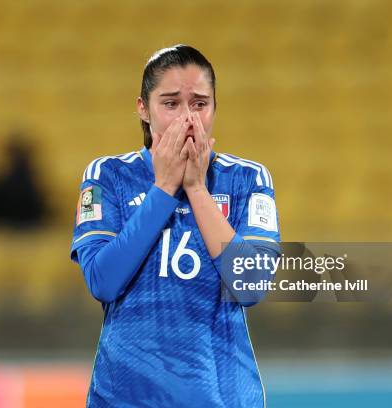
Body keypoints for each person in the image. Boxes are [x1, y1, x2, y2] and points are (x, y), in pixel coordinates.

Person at [70, 45, 281, 407]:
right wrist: (165, 188)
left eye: (199, 103)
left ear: (215, 107)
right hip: (125, 397)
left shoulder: (247, 178)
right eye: (171, 103)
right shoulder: (109, 176)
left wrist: (196, 188)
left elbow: (251, 285)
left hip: (223, 396)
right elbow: (103, 282)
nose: (187, 118)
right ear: (143, 109)